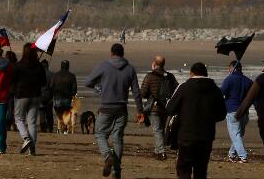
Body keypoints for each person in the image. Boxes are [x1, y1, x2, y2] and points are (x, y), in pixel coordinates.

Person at [85, 43, 145, 179]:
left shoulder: (104, 66)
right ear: (123, 54)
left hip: (106, 107)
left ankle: (107, 155)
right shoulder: (130, 69)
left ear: (111, 53)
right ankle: (116, 172)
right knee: (117, 138)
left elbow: (88, 82)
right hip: (121, 109)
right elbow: (136, 92)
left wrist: (100, 86)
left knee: (100, 134)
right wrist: (140, 111)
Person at [166, 62, 226, 179]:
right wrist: (208, 118)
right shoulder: (215, 89)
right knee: (201, 170)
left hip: (186, 135)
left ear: (191, 73)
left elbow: (169, 109)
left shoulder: (184, 87)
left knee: (183, 168)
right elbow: (222, 114)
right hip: (206, 136)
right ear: (206, 73)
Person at [140, 55, 179, 161]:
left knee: (157, 130)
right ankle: (157, 151)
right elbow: (177, 90)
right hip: (166, 107)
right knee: (160, 129)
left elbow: (143, 93)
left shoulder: (149, 76)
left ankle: (161, 152)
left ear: (154, 63)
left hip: (154, 107)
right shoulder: (170, 76)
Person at [13, 43, 47, 155]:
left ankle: (26, 138)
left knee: (18, 118)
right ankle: (32, 149)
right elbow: (44, 83)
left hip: (21, 95)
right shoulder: (39, 66)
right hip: (36, 95)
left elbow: (12, 81)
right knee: (32, 122)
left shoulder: (18, 65)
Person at [220, 60, 252, 163]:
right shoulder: (248, 81)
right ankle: (232, 154)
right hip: (244, 112)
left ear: (233, 68)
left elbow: (221, 92)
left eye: (229, 68)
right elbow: (252, 97)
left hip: (233, 111)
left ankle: (243, 155)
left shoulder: (230, 79)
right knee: (238, 135)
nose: (228, 70)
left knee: (236, 135)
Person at [51, 59, 78, 127]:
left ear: (61, 66)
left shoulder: (55, 75)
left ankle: (60, 128)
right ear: (68, 66)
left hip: (57, 98)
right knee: (66, 114)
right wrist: (73, 96)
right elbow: (74, 89)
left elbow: (51, 86)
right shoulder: (71, 76)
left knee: (59, 115)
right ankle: (65, 128)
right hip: (67, 99)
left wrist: (53, 95)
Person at [5, 50, 19, 132]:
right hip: (14, 90)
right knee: (11, 109)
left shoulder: (5, 67)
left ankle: (8, 125)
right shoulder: (16, 66)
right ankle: (11, 125)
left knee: (7, 109)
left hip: (7, 90)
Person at [40, 58, 54, 132]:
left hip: (40, 96)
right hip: (49, 96)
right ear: (47, 66)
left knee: (42, 113)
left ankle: (43, 128)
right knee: (49, 113)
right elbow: (52, 87)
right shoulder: (51, 74)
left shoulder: (38, 74)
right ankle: (50, 127)